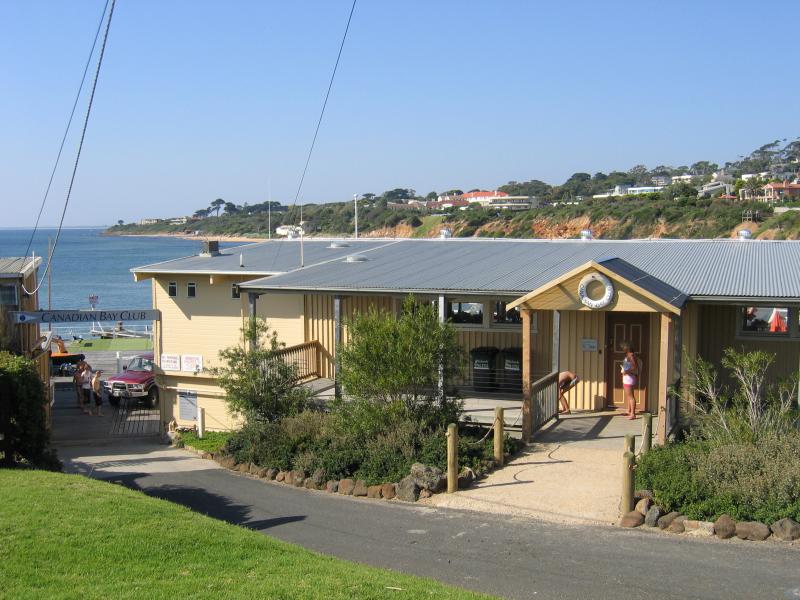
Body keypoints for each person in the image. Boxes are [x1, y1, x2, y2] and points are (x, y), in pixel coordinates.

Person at [620, 343, 641, 420]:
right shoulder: (629, 355)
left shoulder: (631, 356)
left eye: (624, 348)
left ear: (627, 348)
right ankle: (629, 411)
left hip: (629, 378)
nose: (623, 350)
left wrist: (626, 371)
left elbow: (635, 367)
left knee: (631, 397)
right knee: (629, 396)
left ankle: (633, 414)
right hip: (627, 378)